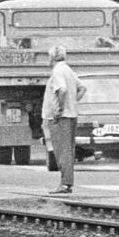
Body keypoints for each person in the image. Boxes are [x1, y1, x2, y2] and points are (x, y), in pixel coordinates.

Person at [41, 42, 87, 194]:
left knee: (61, 151)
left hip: (61, 118)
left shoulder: (57, 71)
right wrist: (72, 102)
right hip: (71, 115)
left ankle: (65, 184)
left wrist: (59, 109)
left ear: (52, 58)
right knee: (68, 150)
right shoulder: (68, 70)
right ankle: (67, 183)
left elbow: (62, 90)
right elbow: (82, 88)